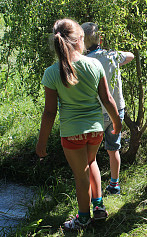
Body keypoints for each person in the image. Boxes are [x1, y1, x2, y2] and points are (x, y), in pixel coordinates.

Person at [36, 19, 122, 230]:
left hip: (72, 133)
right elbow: (108, 99)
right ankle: (99, 206)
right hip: (95, 130)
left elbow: (49, 112)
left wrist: (41, 143)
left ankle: (83, 218)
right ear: (80, 40)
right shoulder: (94, 64)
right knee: (91, 162)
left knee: (80, 173)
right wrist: (117, 123)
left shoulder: (52, 72)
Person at [81, 22, 134, 195]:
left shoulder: (85, 61)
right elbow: (131, 56)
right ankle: (114, 184)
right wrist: (115, 57)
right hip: (117, 110)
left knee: (90, 154)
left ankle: (90, 187)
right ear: (101, 39)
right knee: (114, 149)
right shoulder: (111, 56)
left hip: (96, 111)